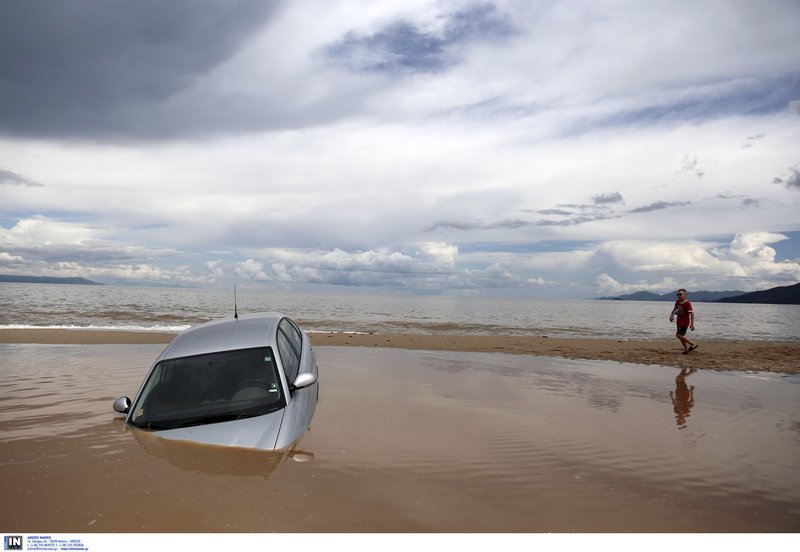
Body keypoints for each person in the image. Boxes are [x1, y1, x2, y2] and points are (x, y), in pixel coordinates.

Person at [669, 288, 697, 354]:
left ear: (685, 295)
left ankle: (693, 344)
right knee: (681, 336)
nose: (679, 296)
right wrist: (672, 315)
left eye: (680, 294)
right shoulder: (677, 302)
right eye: (678, 294)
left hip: (685, 322)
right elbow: (675, 309)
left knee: (678, 335)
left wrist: (692, 324)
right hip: (679, 321)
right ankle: (686, 349)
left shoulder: (687, 303)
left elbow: (692, 314)